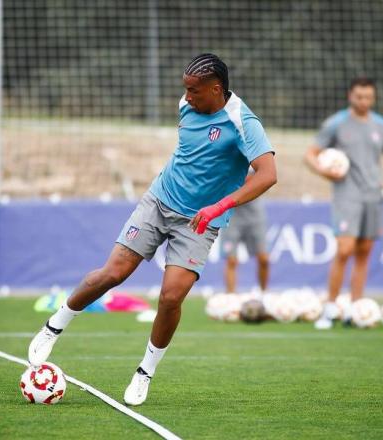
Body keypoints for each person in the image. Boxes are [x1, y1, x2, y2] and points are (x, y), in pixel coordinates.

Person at [27, 53, 277, 405]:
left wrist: (219, 205)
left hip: (200, 221)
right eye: (185, 89)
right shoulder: (186, 105)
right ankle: (54, 326)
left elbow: (268, 175)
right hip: (158, 202)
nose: (186, 97)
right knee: (112, 273)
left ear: (216, 89)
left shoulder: (243, 123)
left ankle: (144, 372)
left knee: (171, 297)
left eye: (194, 90)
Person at [305, 77, 383, 330]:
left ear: (373, 98)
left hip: (375, 195)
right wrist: (324, 172)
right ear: (350, 96)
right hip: (347, 194)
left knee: (364, 253)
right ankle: (330, 308)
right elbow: (309, 154)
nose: (363, 101)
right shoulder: (336, 123)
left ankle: (355, 309)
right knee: (344, 249)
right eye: (359, 96)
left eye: (368, 97)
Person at [221, 172, 269, 293]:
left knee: (264, 259)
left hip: (254, 214)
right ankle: (230, 298)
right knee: (231, 260)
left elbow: (264, 175)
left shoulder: (254, 154)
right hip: (232, 214)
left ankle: (263, 294)